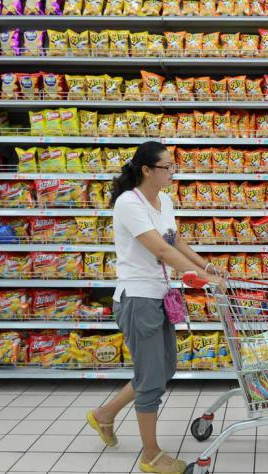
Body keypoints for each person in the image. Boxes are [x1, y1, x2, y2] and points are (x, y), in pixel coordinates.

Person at [86, 141, 225, 474]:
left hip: (161, 296)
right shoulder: (127, 203)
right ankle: (151, 454)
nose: (172, 173)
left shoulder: (163, 199)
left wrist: (205, 266)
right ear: (147, 170)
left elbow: (174, 240)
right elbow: (161, 251)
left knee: (163, 369)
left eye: (173, 166)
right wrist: (199, 279)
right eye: (167, 167)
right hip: (138, 299)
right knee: (151, 380)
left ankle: (104, 415)